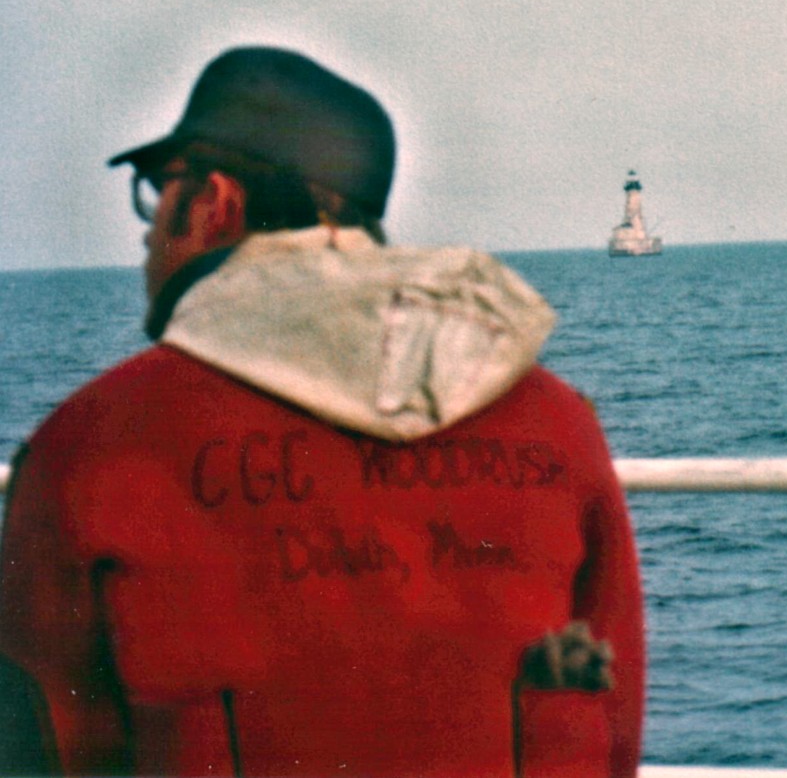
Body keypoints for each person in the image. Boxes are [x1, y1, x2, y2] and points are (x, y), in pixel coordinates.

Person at [0, 47, 645, 777]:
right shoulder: (557, 427)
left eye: (157, 191)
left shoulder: (87, 448)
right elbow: (611, 729)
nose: (148, 232)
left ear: (217, 203)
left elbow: (42, 744)